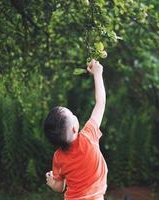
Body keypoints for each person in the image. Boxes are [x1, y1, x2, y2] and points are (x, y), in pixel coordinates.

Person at [43, 59, 107, 200]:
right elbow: (100, 103)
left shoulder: (58, 157)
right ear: (74, 128)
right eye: (72, 114)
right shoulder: (88, 136)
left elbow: (59, 187)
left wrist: (51, 182)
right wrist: (98, 73)